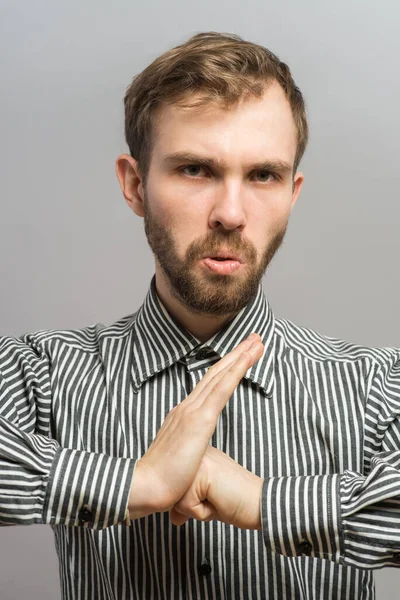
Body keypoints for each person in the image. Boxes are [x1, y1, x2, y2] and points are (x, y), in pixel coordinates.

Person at [1, 30, 399, 600]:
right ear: (135, 184)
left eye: (264, 175)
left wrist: (264, 502)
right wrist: (137, 483)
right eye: (195, 170)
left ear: (292, 193)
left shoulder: (377, 385)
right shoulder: (40, 371)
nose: (231, 213)